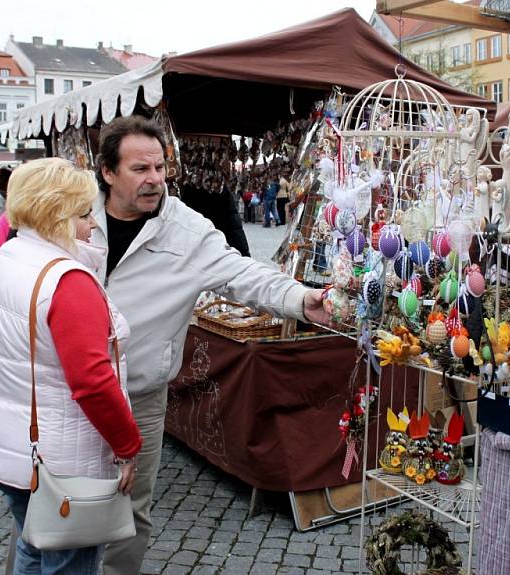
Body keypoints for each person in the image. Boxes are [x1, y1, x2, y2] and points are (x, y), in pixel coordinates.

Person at [90, 115, 329, 574]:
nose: (155, 180)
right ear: (107, 172)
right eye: (140, 169)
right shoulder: (77, 215)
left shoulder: (184, 227)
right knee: (56, 502)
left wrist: (301, 299)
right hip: (71, 391)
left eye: (160, 168)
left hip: (139, 393)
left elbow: (241, 273)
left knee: (130, 509)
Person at [0, 158, 142, 574]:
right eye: (84, 215)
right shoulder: (67, 280)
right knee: (66, 562)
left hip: (11, 447)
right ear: (58, 216)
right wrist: (127, 447)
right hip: (63, 462)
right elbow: (92, 382)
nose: (91, 225)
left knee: (33, 546)